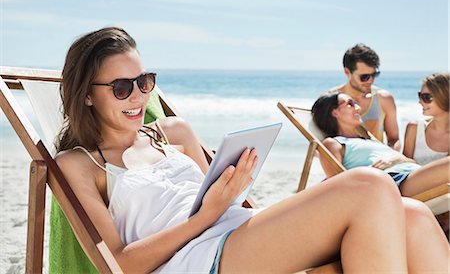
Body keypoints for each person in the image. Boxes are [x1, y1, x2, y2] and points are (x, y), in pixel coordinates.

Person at [55, 27, 449, 273]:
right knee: (368, 184)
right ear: (87, 95)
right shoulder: (79, 164)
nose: (138, 97)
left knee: (410, 213)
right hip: (196, 258)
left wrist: (235, 185)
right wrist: (206, 214)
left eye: (144, 82)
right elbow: (119, 265)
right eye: (122, 88)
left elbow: (231, 204)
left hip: (236, 229)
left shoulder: (173, 131)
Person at [312, 91, 449, 198]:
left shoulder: (368, 140)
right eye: (350, 104)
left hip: (413, 173)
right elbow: (340, 186)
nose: (358, 108)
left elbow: (409, 160)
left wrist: (396, 159)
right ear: (334, 112)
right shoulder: (333, 143)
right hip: (396, 182)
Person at [330, 43, 401, 150]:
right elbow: (321, 143)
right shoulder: (331, 100)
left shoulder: (384, 99)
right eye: (365, 77)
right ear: (347, 72)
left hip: (379, 162)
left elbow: (394, 139)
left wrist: (390, 157)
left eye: (374, 75)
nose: (370, 81)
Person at [403, 72, 449, 165]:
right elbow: (404, 168)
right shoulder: (414, 128)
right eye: (420, 95)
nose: (420, 102)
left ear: (444, 97)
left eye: (426, 97)